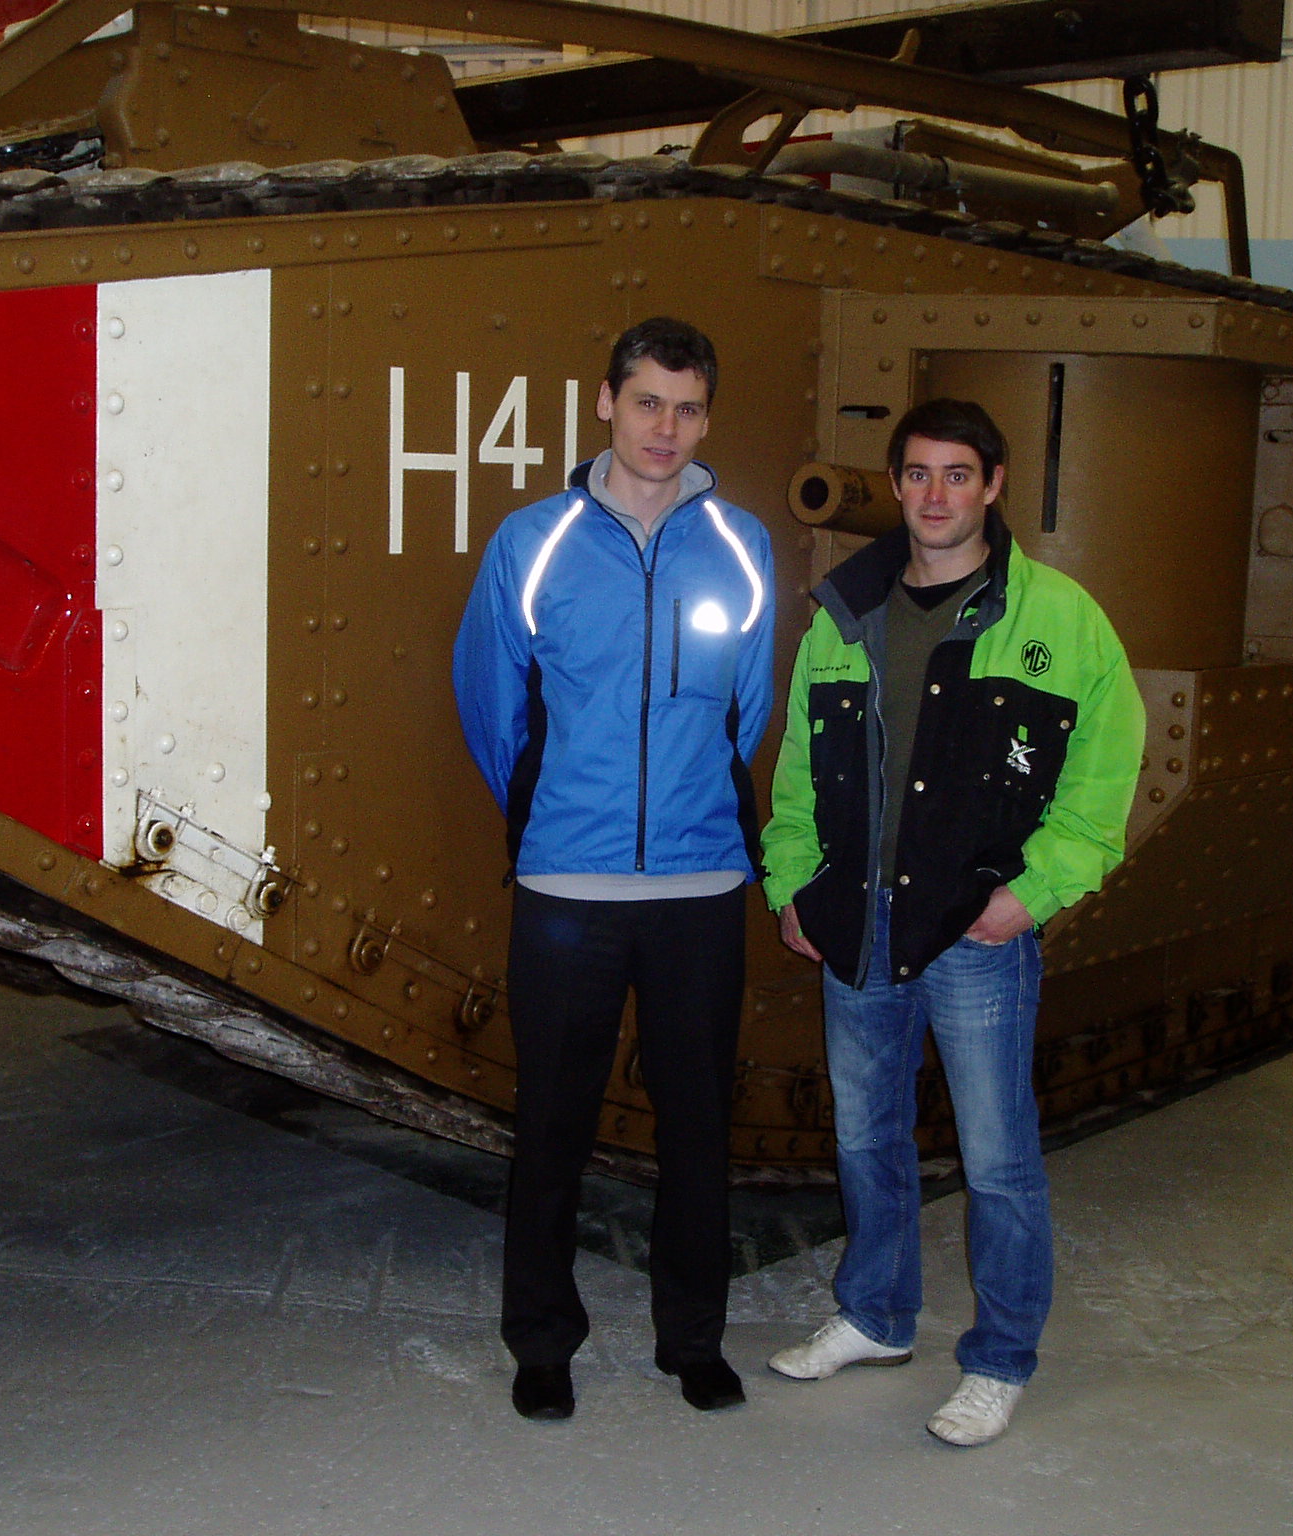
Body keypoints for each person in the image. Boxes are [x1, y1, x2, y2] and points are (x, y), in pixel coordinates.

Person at [760, 396, 1144, 1446]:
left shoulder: (1058, 619)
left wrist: (1032, 894)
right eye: (918, 474)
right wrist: (792, 883)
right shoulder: (846, 613)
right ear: (895, 486)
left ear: (993, 485)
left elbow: (1104, 774)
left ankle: (1000, 1359)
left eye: (957, 474)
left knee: (998, 1159)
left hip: (975, 934)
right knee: (864, 1139)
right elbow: (798, 768)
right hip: (856, 924)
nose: (936, 496)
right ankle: (876, 1317)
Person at [453, 317, 775, 1422]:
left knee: (697, 1128)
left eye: (687, 409)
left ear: (706, 419)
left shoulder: (741, 544)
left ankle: (693, 1341)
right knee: (550, 1125)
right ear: (605, 404)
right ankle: (542, 1342)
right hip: (568, 889)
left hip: (698, 887)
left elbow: (747, 711)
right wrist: (552, 811)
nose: (664, 429)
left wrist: (691, 807)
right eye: (646, 403)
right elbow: (490, 699)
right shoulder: (531, 542)